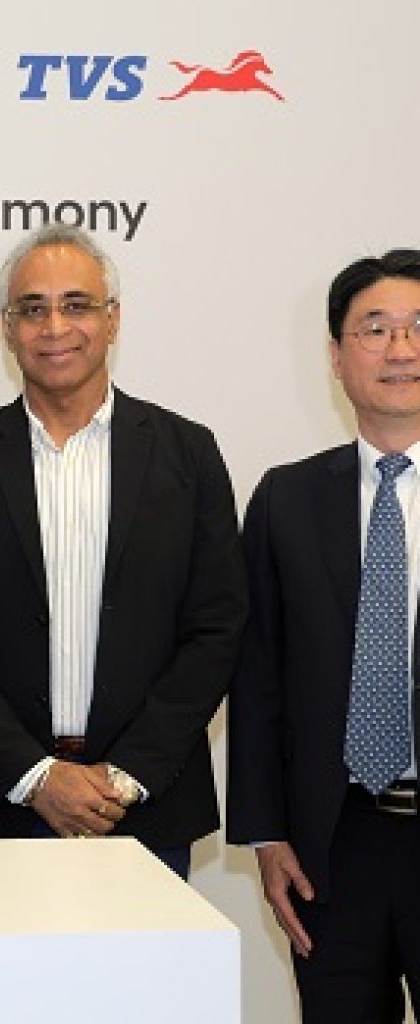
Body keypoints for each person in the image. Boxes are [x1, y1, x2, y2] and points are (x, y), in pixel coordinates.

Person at [0, 223, 246, 877]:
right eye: (33, 309)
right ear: (7, 330)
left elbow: (217, 627)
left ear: (113, 319)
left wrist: (126, 775)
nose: (55, 327)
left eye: (77, 305)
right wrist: (35, 776)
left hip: (142, 809)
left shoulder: (188, 454)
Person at [228, 249, 420, 1022]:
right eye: (375, 328)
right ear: (337, 356)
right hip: (334, 844)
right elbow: (257, 677)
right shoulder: (287, 498)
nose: (401, 348)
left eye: (419, 327)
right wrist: (267, 836)